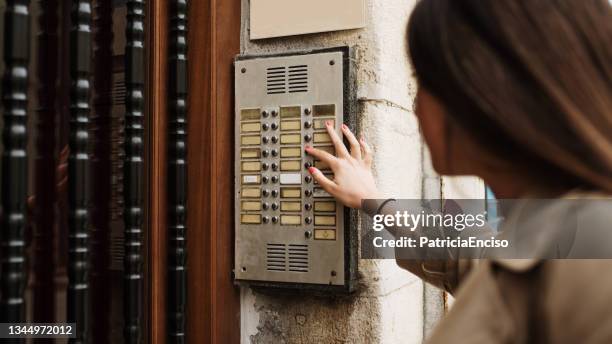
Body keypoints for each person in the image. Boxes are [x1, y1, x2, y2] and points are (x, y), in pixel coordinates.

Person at [305, 0, 612, 343]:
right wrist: (373, 200)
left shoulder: (595, 261)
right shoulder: (552, 238)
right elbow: (465, 253)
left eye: (423, 80)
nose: (415, 104)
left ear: (481, 95)